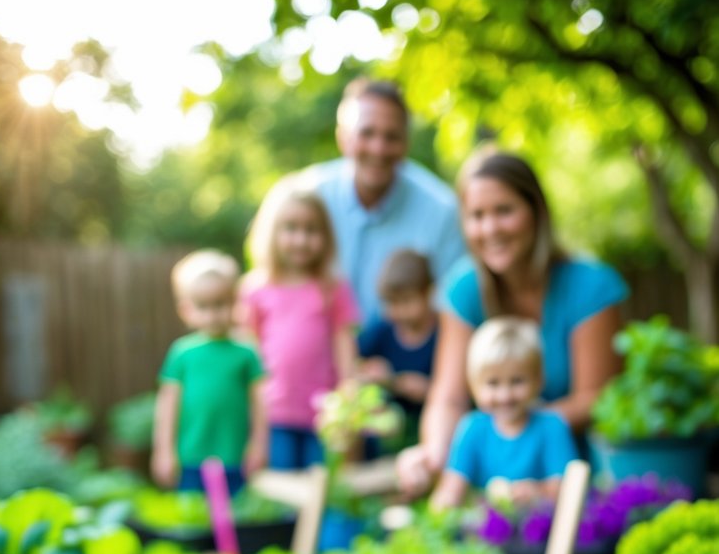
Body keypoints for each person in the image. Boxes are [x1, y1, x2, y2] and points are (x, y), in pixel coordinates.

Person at [399, 149, 628, 494]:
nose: (490, 228)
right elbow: (448, 398)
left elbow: (595, 400)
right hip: (493, 491)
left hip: (581, 481)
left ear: (536, 211)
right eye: (476, 215)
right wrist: (434, 454)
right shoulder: (463, 290)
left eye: (504, 211)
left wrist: (510, 430)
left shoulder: (591, 287)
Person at [303, 78, 464, 325]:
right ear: (343, 138)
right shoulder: (307, 198)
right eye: (366, 133)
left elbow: (454, 314)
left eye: (392, 137)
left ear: (406, 143)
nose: (379, 148)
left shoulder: (443, 212)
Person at [240, 179, 358, 470]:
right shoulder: (255, 289)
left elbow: (347, 359)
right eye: (291, 229)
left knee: (325, 492)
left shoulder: (333, 289)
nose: (301, 239)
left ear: (326, 235)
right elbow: (248, 356)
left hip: (324, 418)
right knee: (281, 496)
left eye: (311, 230)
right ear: (272, 232)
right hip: (273, 417)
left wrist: (350, 409)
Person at [429, 317, 578, 511]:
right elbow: (451, 489)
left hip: (540, 531)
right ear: (474, 385)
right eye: (493, 383)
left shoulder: (552, 426)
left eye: (516, 381)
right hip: (486, 533)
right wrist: (439, 512)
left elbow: (566, 490)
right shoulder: (472, 428)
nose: (505, 395)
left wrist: (537, 492)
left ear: (538, 380)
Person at [151, 250, 267, 493]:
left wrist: (258, 445)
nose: (213, 314)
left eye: (220, 304)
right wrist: (164, 451)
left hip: (234, 458)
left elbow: (260, 405)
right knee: (193, 521)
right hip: (190, 458)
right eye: (203, 306)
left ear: (235, 303)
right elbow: (167, 405)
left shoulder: (246, 353)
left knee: (233, 524)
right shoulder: (181, 353)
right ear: (186, 310)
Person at [357, 249, 438, 446]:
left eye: (406, 301)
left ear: (428, 293)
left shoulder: (443, 333)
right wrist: (369, 373)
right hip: (383, 433)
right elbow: (355, 362)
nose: (398, 311)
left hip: (427, 430)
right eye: (391, 303)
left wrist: (396, 382)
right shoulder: (382, 330)